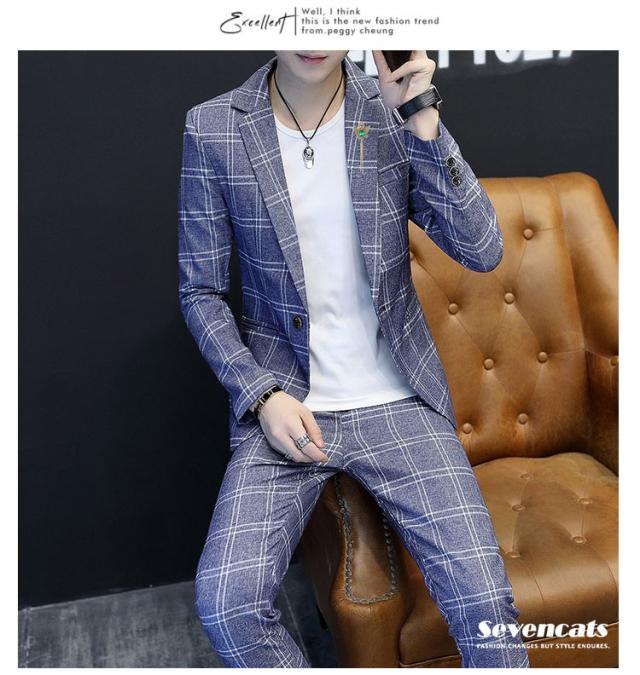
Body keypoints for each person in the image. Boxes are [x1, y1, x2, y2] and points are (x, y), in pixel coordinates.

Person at [178, 50, 530, 668]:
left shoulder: (387, 112)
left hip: (399, 399)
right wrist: (260, 394)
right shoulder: (215, 127)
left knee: (486, 607)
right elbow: (200, 292)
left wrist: (422, 118)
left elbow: (482, 248)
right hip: (288, 403)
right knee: (228, 605)